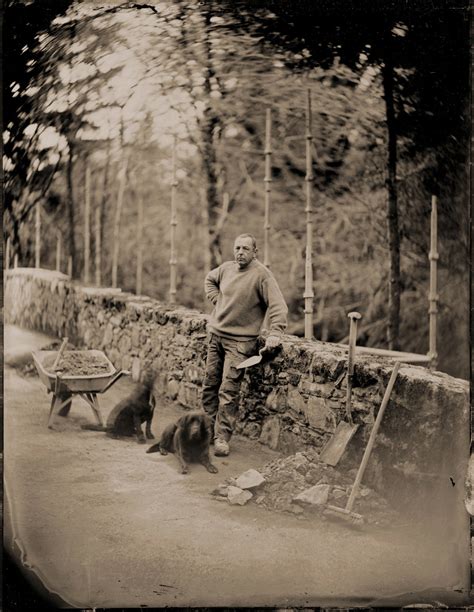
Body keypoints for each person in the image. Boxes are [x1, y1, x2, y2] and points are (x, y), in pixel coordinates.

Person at [202, 233, 288, 456]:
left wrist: (276, 332)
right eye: (237, 248)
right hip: (215, 336)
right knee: (210, 385)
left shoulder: (262, 275)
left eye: (245, 249)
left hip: (240, 343)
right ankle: (204, 432)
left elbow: (278, 305)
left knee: (228, 390)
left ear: (254, 252)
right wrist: (217, 300)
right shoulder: (225, 269)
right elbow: (209, 280)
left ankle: (221, 438)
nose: (240, 252)